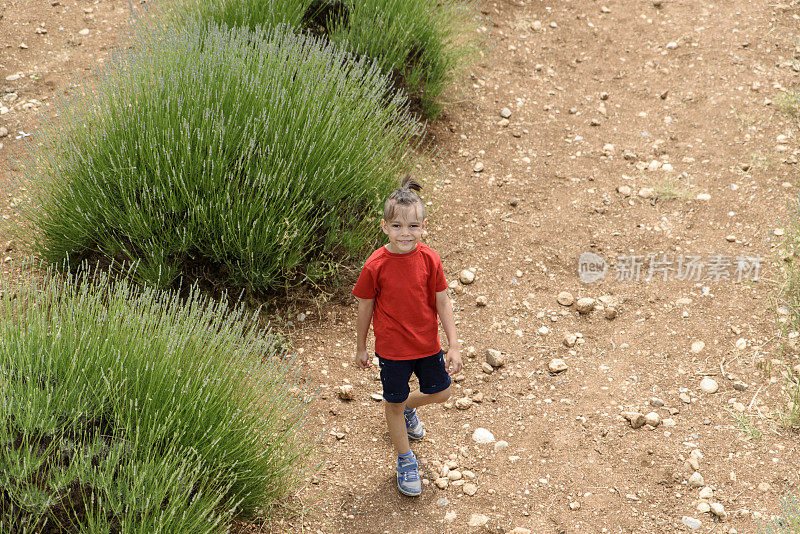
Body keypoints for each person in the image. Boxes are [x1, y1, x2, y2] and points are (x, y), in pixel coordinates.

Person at [352, 175, 462, 497]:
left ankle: (403, 408)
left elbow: (442, 300)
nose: (406, 233)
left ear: (424, 226)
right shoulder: (375, 265)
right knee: (393, 402)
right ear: (385, 226)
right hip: (393, 351)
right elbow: (364, 308)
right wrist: (361, 347)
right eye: (398, 226)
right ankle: (404, 459)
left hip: (428, 345)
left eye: (413, 226)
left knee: (442, 393)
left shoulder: (430, 258)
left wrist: (453, 344)